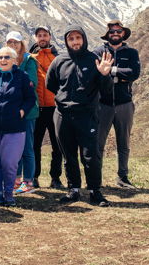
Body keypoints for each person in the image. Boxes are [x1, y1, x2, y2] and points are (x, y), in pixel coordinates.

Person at [46, 25, 114, 206]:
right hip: (63, 115)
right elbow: (50, 84)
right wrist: (65, 99)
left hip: (87, 115)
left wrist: (105, 75)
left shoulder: (94, 60)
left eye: (78, 38)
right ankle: (73, 189)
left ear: (83, 39)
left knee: (90, 155)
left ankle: (95, 191)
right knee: (68, 154)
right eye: (71, 39)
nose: (75, 42)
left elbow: (106, 91)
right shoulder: (59, 61)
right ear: (66, 41)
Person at [0, 13, 39, 194]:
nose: (13, 45)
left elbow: (32, 85)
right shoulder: (4, 60)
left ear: (22, 45)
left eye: (16, 42)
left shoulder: (28, 61)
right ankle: (16, 180)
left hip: (25, 112)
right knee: (14, 150)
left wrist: (14, 72)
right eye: (10, 42)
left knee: (27, 147)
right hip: (8, 113)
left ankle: (28, 181)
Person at [93, 20, 141, 189]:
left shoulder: (132, 53)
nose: (115, 34)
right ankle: (95, 179)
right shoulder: (98, 52)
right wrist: (119, 76)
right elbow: (95, 74)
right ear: (107, 34)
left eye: (118, 31)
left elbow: (134, 73)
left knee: (124, 143)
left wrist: (110, 71)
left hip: (124, 103)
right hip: (102, 104)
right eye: (112, 31)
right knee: (98, 144)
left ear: (123, 34)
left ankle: (123, 177)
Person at [29, 25, 64, 189]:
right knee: (35, 144)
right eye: (39, 35)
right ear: (36, 38)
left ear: (49, 37)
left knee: (57, 145)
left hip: (55, 107)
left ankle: (55, 178)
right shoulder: (30, 58)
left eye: (45, 35)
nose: (42, 38)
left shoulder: (57, 57)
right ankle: (34, 177)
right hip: (37, 108)